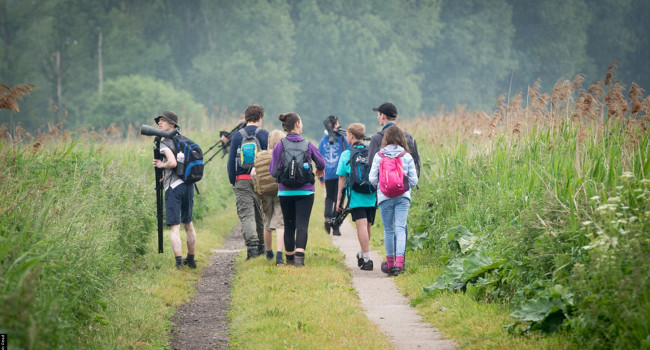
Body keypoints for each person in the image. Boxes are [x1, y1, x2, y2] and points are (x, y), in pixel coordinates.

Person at [269, 113, 325, 267]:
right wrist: (319, 170)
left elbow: (273, 172)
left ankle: (289, 259)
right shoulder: (308, 144)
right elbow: (321, 162)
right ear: (297, 124)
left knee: (289, 225)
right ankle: (299, 259)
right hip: (305, 191)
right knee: (302, 224)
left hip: (285, 191)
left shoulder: (280, 145)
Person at [369, 125, 418, 276]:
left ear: (386, 138)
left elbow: (372, 178)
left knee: (389, 230)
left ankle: (390, 264)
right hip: (403, 197)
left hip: (385, 197)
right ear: (402, 138)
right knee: (400, 228)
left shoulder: (379, 156)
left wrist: (383, 187)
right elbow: (414, 181)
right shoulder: (406, 156)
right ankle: (400, 265)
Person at [152, 110, 197, 269]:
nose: (159, 123)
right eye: (159, 121)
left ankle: (179, 262)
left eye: (163, 120)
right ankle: (191, 259)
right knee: (188, 224)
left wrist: (161, 165)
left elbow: (172, 163)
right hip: (188, 185)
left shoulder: (165, 142)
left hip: (174, 188)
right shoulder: (182, 140)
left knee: (175, 227)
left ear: (172, 124)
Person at [227, 104, 269, 259]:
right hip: (260, 181)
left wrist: (234, 180)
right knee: (260, 215)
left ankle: (251, 249)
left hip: (242, 180)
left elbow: (231, 161)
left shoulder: (238, 135)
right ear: (260, 118)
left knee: (247, 215)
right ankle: (262, 248)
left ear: (246, 118)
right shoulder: (265, 134)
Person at [335, 123, 376, 270]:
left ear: (351, 136)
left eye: (347, 135)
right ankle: (362, 253)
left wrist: (339, 200)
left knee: (361, 225)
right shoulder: (371, 151)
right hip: (371, 194)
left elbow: (342, 178)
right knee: (367, 225)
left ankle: (367, 259)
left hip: (356, 196)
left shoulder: (347, 154)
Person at [253, 129, 287, 265]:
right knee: (280, 223)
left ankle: (268, 252)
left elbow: (254, 174)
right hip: (279, 191)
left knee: (267, 222)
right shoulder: (283, 154)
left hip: (265, 193)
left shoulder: (260, 156)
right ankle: (279, 254)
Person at [367, 102, 421, 177]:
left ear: (383, 116)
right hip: (404, 186)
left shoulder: (376, 138)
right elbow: (415, 163)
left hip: (384, 186)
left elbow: (371, 165)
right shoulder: (408, 136)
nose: (377, 117)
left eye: (378, 114)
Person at [318, 115, 350, 236]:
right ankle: (336, 225)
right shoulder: (342, 138)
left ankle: (327, 218)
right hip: (340, 174)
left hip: (328, 174)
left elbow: (319, 159)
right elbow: (348, 151)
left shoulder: (323, 140)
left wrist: (321, 177)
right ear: (336, 125)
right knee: (340, 199)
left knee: (329, 197)